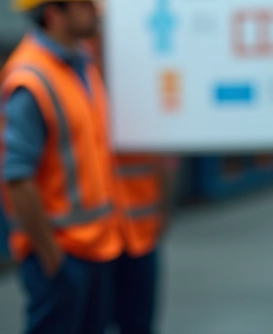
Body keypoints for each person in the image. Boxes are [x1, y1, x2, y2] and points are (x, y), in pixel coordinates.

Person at [0, 0, 123, 334]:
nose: (94, 8)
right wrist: (52, 259)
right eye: (82, 1)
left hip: (96, 248)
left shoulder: (81, 63)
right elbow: (18, 179)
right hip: (61, 256)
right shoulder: (30, 81)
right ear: (53, 13)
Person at [86, 29, 174, 334]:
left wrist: (162, 210)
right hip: (93, 233)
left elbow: (162, 155)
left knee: (137, 322)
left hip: (139, 228)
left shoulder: (142, 75)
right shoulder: (77, 75)